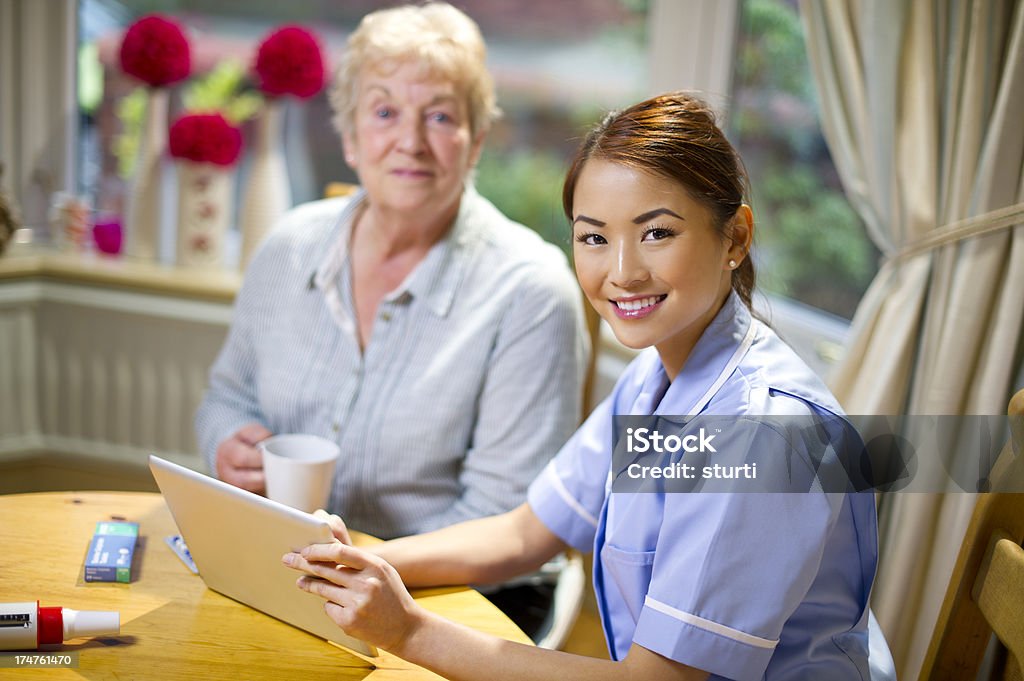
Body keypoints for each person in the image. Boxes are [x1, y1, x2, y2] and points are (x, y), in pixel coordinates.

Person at [282, 92, 885, 680]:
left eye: (657, 233)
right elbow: (525, 533)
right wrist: (351, 565)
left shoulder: (761, 435)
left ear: (735, 238)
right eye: (594, 237)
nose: (621, 272)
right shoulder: (659, 373)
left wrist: (409, 631)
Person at [194, 2, 587, 540]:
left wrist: (360, 570)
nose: (410, 141)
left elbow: (504, 517)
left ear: (475, 143)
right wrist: (230, 441)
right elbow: (226, 395)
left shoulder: (530, 292)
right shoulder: (287, 246)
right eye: (384, 112)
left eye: (441, 116)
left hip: (446, 600)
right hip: (285, 563)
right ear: (350, 138)